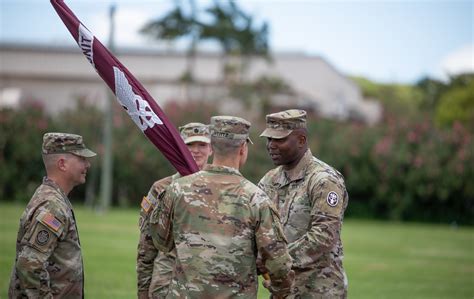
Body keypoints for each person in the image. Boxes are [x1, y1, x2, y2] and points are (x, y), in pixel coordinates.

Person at [149, 116, 295, 298]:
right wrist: (281, 290)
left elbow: (161, 242)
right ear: (243, 149)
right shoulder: (257, 199)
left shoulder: (176, 190)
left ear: (212, 147)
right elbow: (278, 263)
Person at [258, 109, 349, 298]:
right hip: (282, 292)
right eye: (269, 139)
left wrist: (275, 260)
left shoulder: (324, 180)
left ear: (301, 140)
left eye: (279, 139)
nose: (271, 146)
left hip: (318, 290)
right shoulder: (270, 180)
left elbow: (323, 237)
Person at [8, 132, 96, 298]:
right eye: (81, 159)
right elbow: (29, 266)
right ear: (62, 164)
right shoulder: (52, 205)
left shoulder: (53, 198)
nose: (88, 165)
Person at [137, 122, 213, 298]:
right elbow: (146, 245)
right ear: (179, 148)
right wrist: (143, 290)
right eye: (189, 145)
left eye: (202, 144)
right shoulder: (161, 188)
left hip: (209, 283)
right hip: (167, 283)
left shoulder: (222, 187)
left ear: (211, 149)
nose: (195, 150)